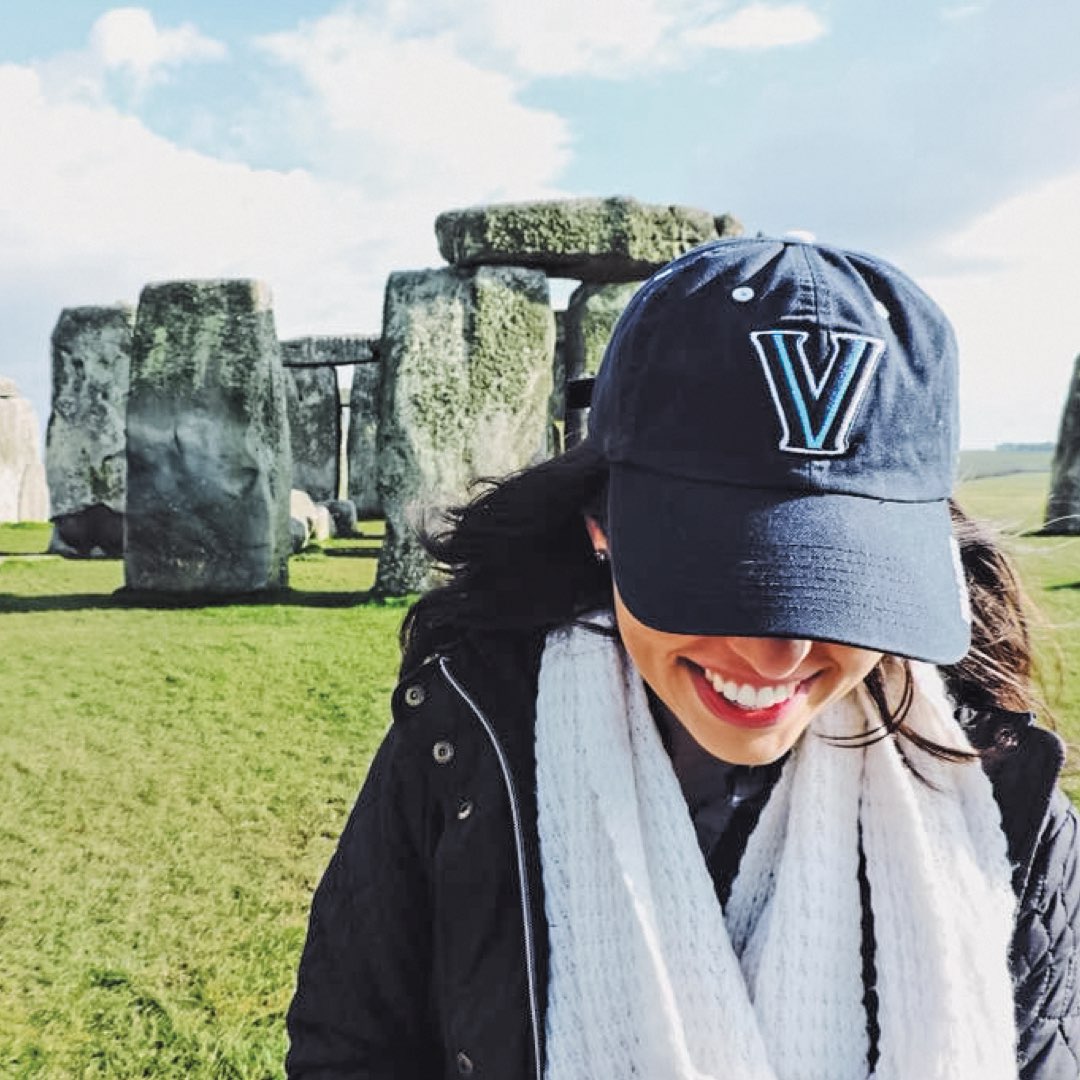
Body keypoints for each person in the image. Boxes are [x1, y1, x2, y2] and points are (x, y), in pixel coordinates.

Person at [285, 236, 1080, 1079]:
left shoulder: (1005, 808)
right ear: (602, 525)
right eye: (719, 574)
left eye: (842, 588)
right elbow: (353, 1049)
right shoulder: (463, 748)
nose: (778, 653)